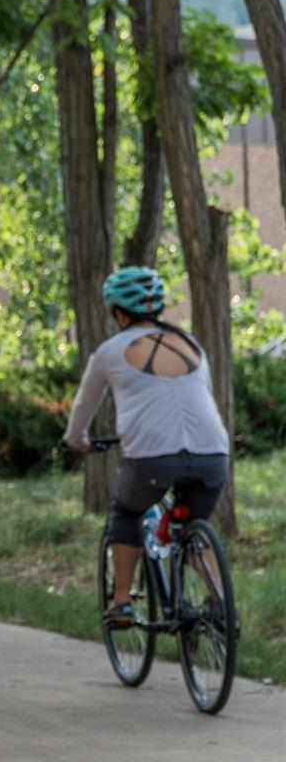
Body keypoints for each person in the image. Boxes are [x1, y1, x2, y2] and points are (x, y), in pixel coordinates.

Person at [63, 265, 230, 625]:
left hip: (153, 460)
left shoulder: (110, 352)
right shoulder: (191, 344)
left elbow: (84, 406)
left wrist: (76, 439)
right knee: (195, 524)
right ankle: (222, 604)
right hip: (213, 454)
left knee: (126, 514)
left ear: (118, 314)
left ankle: (122, 601)